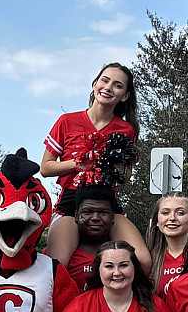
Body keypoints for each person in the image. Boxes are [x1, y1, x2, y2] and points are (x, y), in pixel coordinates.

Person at [39, 63, 147, 266]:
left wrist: (112, 165)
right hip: (70, 203)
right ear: (95, 84)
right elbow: (45, 168)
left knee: (142, 261)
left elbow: (124, 178)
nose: (108, 87)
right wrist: (77, 164)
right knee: (55, 266)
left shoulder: (126, 130)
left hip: (107, 202)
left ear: (124, 95)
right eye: (105, 81)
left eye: (117, 85)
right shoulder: (66, 121)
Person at [59, 186, 143, 289]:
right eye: (87, 212)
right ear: (76, 216)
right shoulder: (61, 256)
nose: (95, 218)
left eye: (103, 213)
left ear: (113, 217)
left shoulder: (128, 256)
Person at [146, 193, 188, 290]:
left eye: (180, 213)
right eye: (165, 213)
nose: (172, 218)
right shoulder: (149, 260)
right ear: (157, 221)